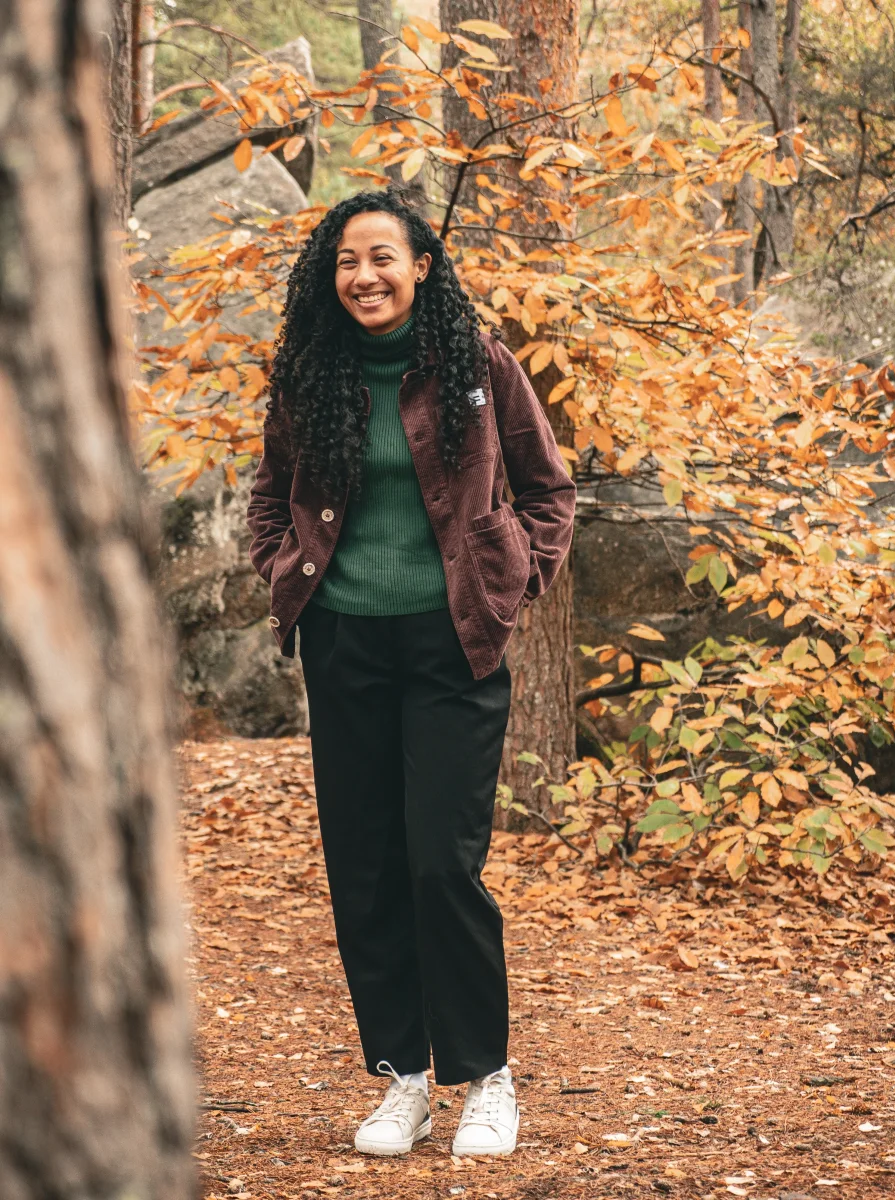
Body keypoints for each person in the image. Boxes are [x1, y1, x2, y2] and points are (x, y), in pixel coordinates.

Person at [246, 188, 575, 1157]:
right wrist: (280, 568)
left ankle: (485, 1078)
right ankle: (403, 1078)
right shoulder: (306, 372)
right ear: (329, 274)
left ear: (420, 264)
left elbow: (548, 490)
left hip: (452, 647)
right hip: (342, 644)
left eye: (383, 257)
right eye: (347, 261)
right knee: (366, 866)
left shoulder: (476, 365)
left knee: (441, 862)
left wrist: (512, 585)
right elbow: (270, 496)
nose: (365, 276)